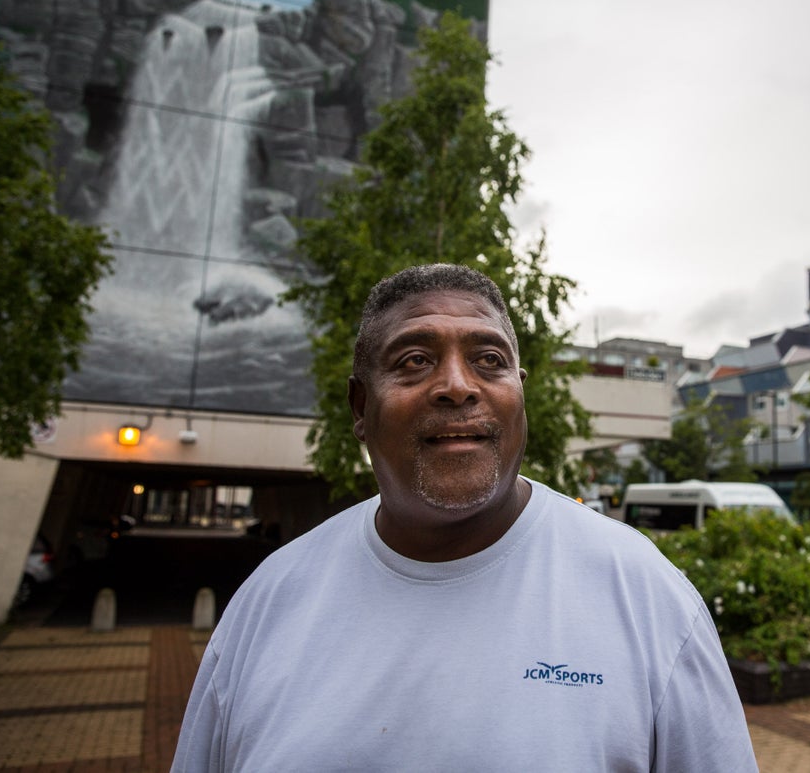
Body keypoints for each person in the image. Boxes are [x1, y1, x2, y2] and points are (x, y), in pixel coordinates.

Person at [172, 263, 758, 772]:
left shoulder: (644, 593)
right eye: (415, 359)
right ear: (360, 405)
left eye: (488, 360)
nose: (457, 386)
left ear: (519, 392)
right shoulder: (270, 601)